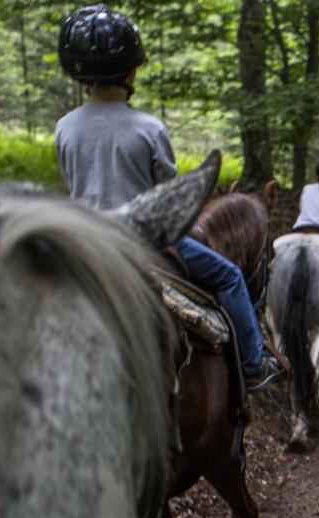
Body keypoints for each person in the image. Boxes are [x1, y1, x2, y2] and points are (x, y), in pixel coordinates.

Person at [54, 4, 282, 392]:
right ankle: (254, 364)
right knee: (229, 276)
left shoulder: (65, 127)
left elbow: (73, 180)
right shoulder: (148, 128)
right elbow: (170, 195)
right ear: (131, 72)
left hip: (87, 241)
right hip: (147, 241)